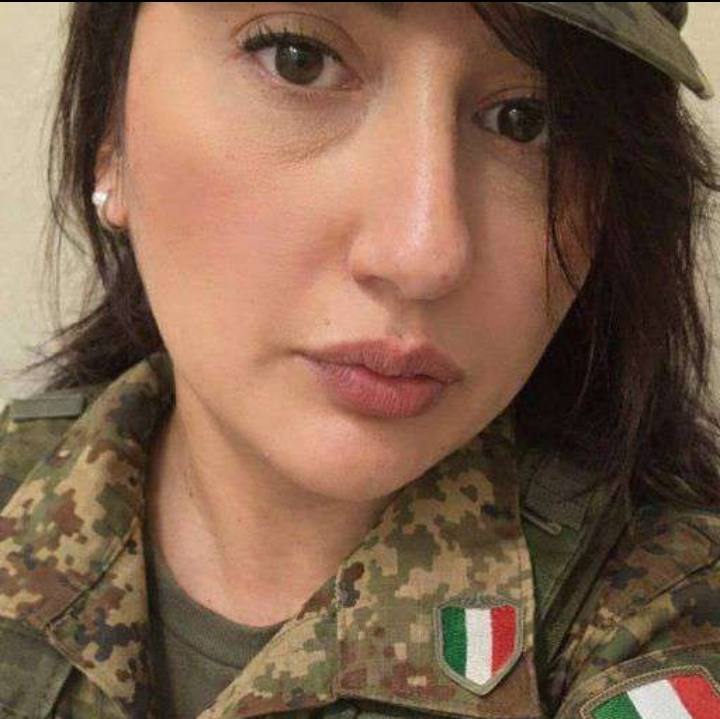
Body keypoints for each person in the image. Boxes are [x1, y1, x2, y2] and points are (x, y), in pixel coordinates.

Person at [0, 2, 719, 718]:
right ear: (111, 132)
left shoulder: (662, 617)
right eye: (298, 60)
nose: (423, 254)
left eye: (526, 121)